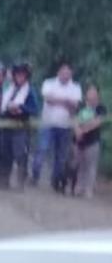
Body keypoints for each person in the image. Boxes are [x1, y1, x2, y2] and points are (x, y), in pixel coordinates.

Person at [33, 61, 82, 192]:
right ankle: (35, 175)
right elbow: (48, 99)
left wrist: (58, 100)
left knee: (61, 156)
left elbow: (75, 106)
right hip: (48, 123)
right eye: (63, 72)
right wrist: (66, 101)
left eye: (68, 72)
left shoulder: (75, 87)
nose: (66, 75)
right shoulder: (49, 83)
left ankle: (56, 180)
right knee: (42, 149)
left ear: (71, 74)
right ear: (58, 72)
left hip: (65, 126)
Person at [0, 60, 39, 189]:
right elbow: (2, 107)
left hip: (21, 127)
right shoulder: (9, 89)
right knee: (5, 153)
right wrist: (8, 109)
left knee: (21, 154)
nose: (19, 77)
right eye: (17, 75)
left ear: (26, 76)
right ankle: (3, 180)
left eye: (22, 75)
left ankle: (21, 181)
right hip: (7, 126)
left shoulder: (30, 91)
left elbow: (35, 109)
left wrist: (21, 108)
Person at [74, 85, 106, 199]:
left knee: (91, 165)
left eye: (94, 92)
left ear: (98, 94)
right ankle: (79, 187)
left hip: (93, 140)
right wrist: (77, 130)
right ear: (86, 93)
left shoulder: (101, 108)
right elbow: (75, 119)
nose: (91, 94)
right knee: (80, 163)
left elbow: (97, 122)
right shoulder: (80, 105)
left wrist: (83, 130)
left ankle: (89, 189)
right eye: (89, 92)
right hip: (78, 139)